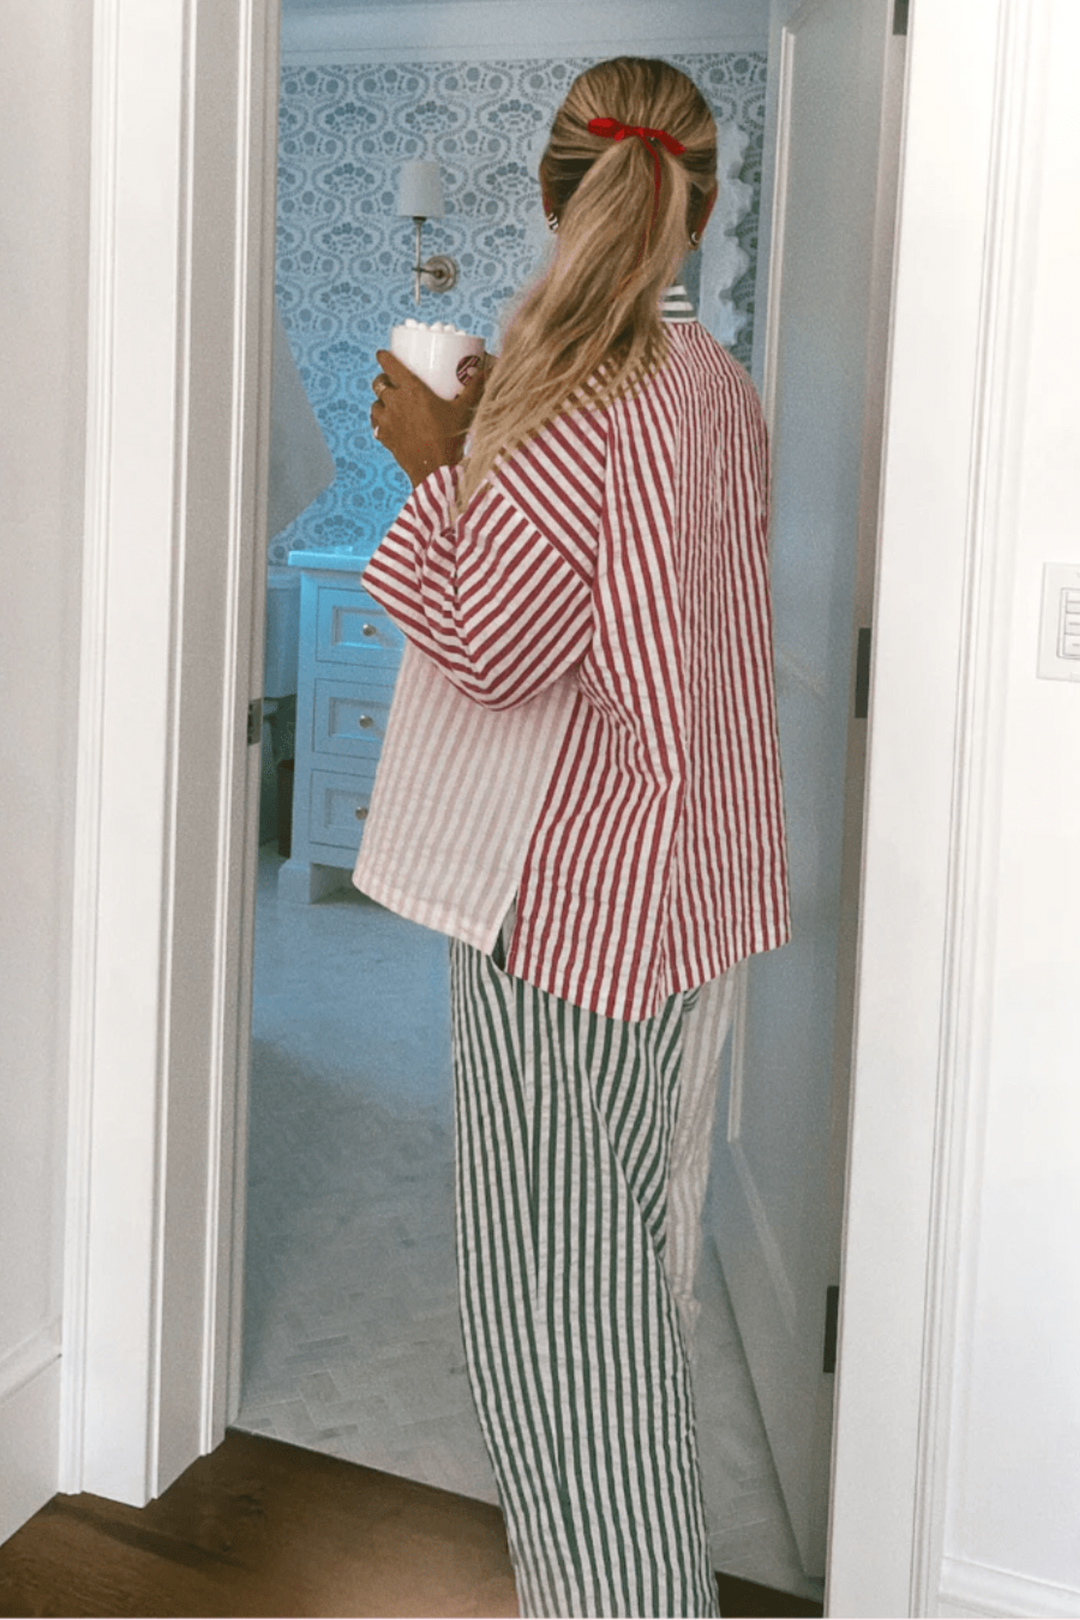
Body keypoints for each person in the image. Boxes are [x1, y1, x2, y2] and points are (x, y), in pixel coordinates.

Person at [357, 56, 790, 1620]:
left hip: (566, 911)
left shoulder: (578, 387)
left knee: (562, 1307)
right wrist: (490, 441)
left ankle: (619, 1597)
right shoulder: (712, 386)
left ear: (552, 195)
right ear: (702, 208)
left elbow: (497, 645)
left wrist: (434, 463)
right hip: (687, 895)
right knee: (632, 1268)